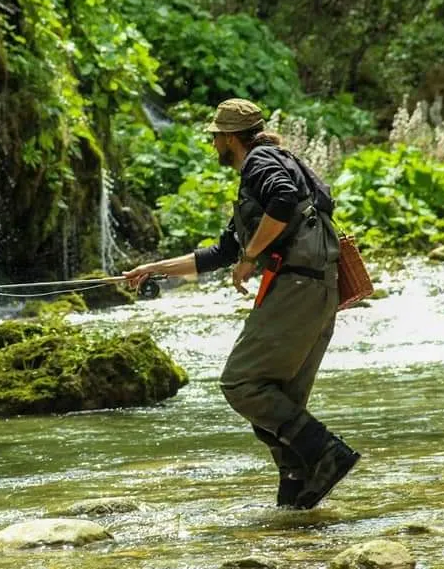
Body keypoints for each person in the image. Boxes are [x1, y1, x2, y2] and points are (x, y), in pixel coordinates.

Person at [123, 98, 359, 509]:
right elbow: (222, 252)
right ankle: (295, 504)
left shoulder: (260, 163)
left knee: (241, 383)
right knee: (276, 410)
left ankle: (328, 453)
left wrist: (251, 258)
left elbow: (283, 202)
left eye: (215, 137)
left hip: (297, 289)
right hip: (316, 290)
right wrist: (155, 268)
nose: (213, 145)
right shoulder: (266, 170)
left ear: (230, 137)